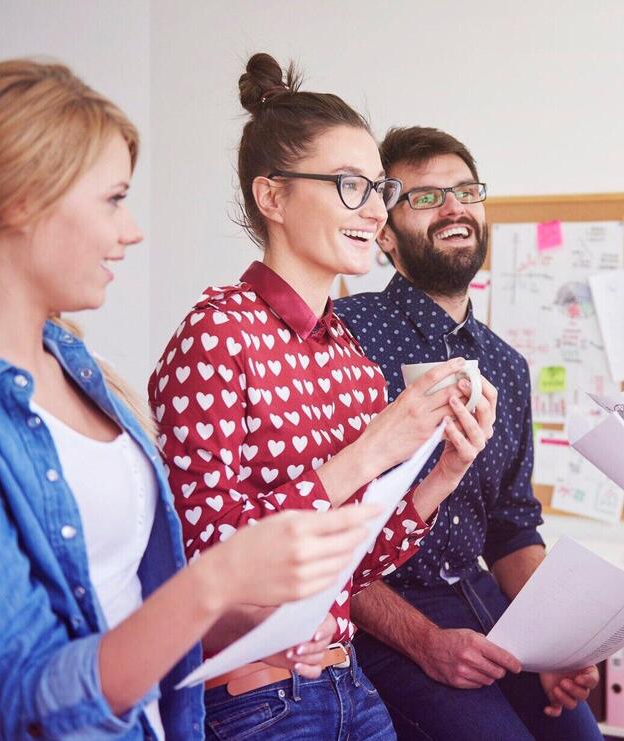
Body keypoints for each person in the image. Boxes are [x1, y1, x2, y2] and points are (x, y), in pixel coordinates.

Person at [0, 59, 377, 740]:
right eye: (112, 199)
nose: (131, 230)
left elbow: (127, 596)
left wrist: (243, 618)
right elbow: (30, 695)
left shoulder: (78, 367)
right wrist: (215, 583)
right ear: (20, 198)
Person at [149, 55, 495, 740]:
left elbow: (357, 561)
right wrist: (368, 453)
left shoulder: (348, 355)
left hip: (346, 683)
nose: (375, 209)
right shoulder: (218, 332)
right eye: (349, 185)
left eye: (379, 187)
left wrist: (446, 470)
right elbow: (204, 556)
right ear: (272, 197)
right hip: (253, 701)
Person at [336, 126, 602, 741]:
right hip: (382, 619)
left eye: (465, 191)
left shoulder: (507, 365)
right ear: (383, 230)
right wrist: (425, 643)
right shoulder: (344, 337)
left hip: (491, 608)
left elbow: (511, 527)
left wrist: (555, 643)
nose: (454, 207)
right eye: (426, 197)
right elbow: (325, 530)